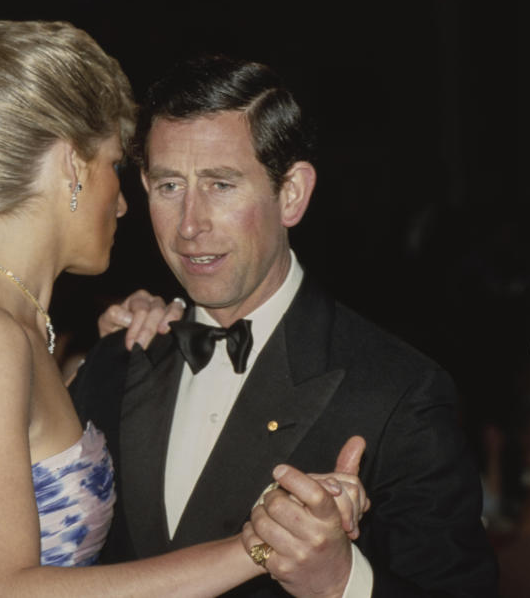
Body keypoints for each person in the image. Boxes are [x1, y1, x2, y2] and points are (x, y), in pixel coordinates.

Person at [0, 21, 367, 598]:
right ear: (71, 166)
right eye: (114, 165)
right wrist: (260, 546)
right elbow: (3, 590)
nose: (125, 203)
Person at [68, 55, 499, 596]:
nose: (190, 225)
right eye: (170, 186)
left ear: (291, 193)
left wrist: (343, 580)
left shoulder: (398, 393)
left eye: (221, 185)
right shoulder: (118, 359)